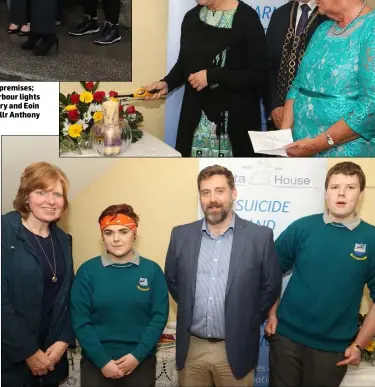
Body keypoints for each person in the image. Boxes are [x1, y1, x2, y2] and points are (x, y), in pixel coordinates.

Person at [165, 165, 281, 386]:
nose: (213, 199)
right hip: (192, 349)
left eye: (220, 191)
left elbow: (271, 285)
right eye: (205, 192)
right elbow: (172, 280)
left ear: (233, 193)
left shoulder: (260, 237)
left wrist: (248, 317)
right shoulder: (180, 235)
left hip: (236, 349)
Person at [144, 0, 268, 157]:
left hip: (234, 128)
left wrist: (213, 76)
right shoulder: (192, 18)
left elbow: (258, 75)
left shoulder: (247, 19)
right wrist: (166, 84)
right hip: (194, 124)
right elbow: (185, 63)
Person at [265, 161, 375, 387]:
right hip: (286, 340)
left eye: (350, 187)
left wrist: (359, 345)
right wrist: (272, 314)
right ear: (326, 193)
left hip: (333, 350)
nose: (341, 193)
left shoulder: (371, 239)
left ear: (361, 194)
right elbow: (270, 271)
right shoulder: (302, 228)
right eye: (335, 187)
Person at [281, 0, 375, 156]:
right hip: (299, 150)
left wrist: (317, 145)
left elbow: (372, 107)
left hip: (345, 153)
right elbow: (298, 85)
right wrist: (284, 138)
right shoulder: (323, 28)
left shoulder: (371, 30)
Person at [71, 204, 169, 387]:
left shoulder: (152, 271)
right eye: (108, 233)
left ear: (135, 233)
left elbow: (159, 317)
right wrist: (102, 361)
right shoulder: (87, 271)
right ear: (102, 236)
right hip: (96, 362)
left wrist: (137, 356)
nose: (116, 239)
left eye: (123, 231)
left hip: (140, 361)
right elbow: (80, 320)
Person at [2, 162, 75, 387]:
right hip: (11, 361)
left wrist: (64, 339)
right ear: (26, 197)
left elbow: (70, 297)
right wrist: (29, 352)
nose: (50, 201)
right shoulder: (5, 231)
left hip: (52, 358)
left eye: (57, 194)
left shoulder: (64, 240)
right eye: (41, 192)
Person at [264, 0, 327, 130]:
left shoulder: (331, 18)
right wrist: (274, 106)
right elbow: (267, 67)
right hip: (277, 122)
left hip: (317, 125)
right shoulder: (279, 15)